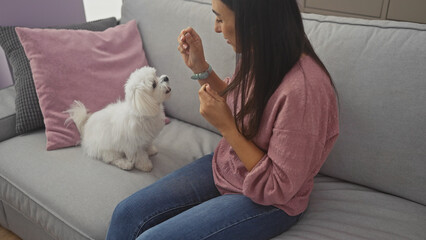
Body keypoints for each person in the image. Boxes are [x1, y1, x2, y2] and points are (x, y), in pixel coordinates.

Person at [106, 0, 339, 239]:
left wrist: (227, 127)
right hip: (231, 167)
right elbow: (238, 99)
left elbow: (277, 186)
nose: (216, 28)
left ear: (254, 24)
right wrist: (200, 67)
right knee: (126, 214)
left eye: (220, 19)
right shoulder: (261, 52)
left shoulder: (305, 92)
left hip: (272, 200)